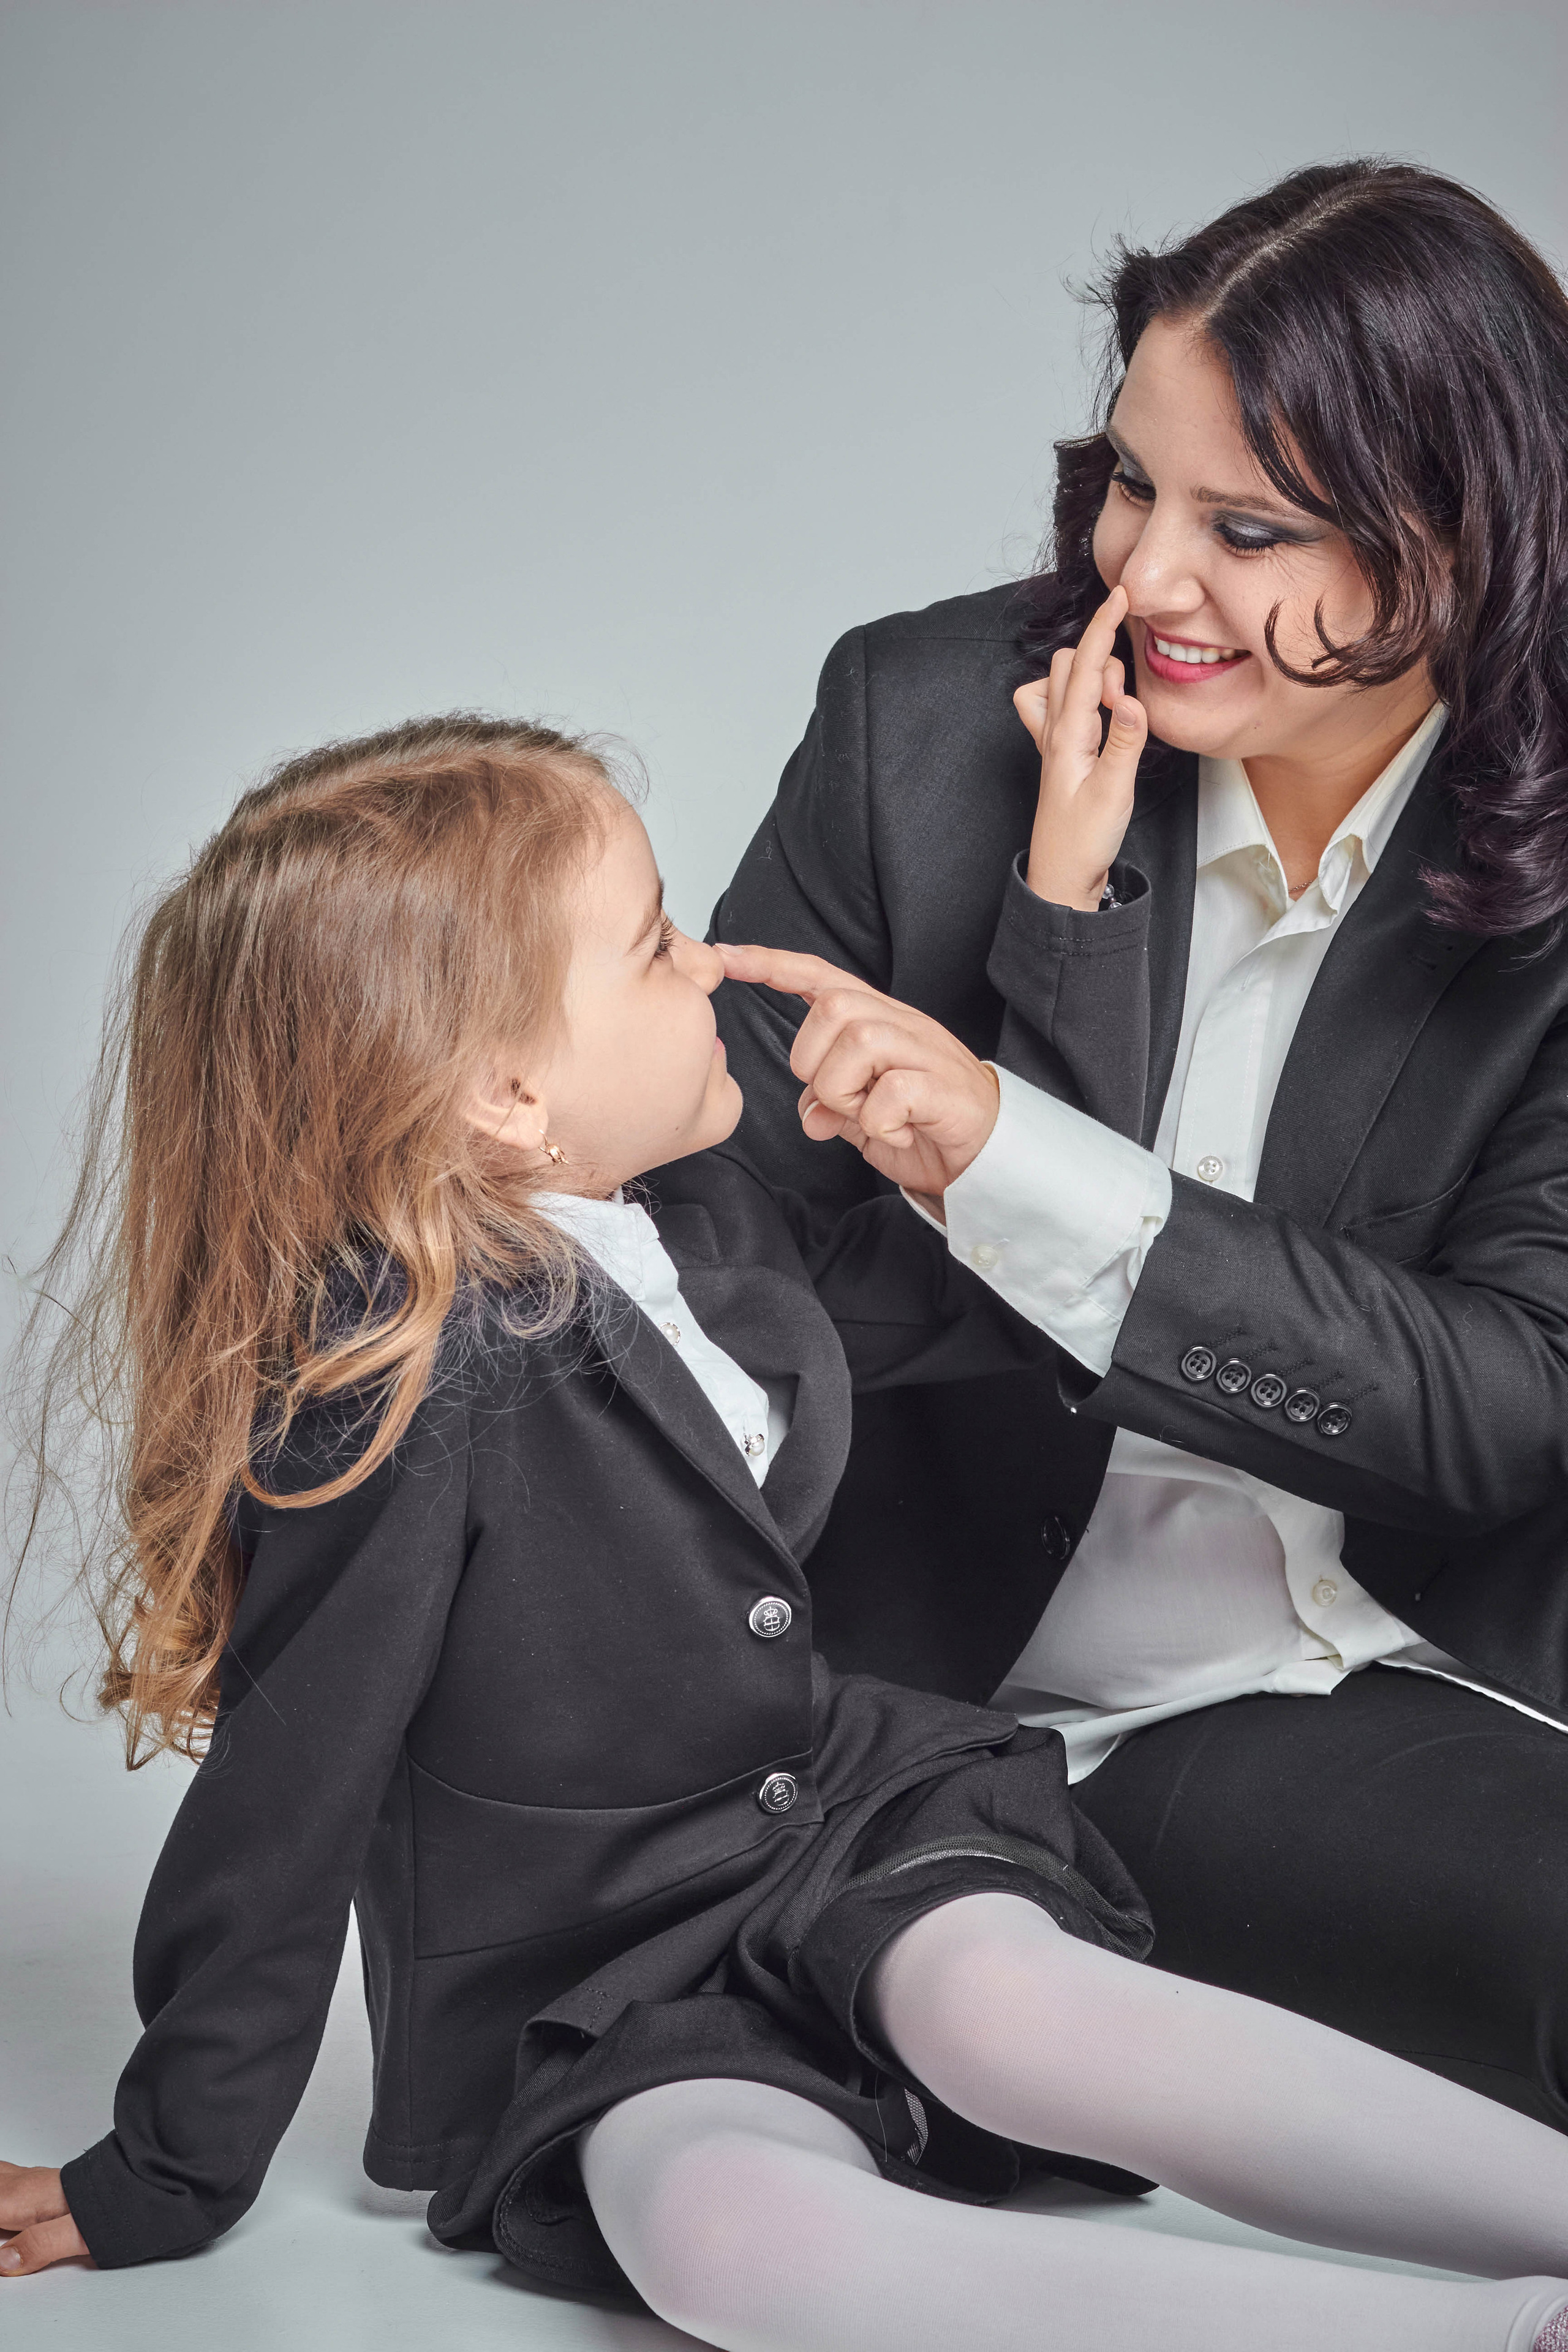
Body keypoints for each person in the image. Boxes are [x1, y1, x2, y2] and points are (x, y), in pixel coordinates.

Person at [4, 715, 1568, 2351]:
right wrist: (172, 2164)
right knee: (736, 2248)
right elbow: (288, 1785)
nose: (717, 968)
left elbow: (1016, 1289)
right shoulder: (396, 1388)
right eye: (655, 947)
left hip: (846, 1834)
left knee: (1015, 2015)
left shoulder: (701, 1222)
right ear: (507, 1093)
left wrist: (1058, 916)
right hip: (606, 1981)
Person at [696, 157, 1568, 2137]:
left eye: (1246, 529)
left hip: (1357, 1674)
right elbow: (721, 1285)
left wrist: (1014, 1151)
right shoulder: (922, 734)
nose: (1146, 582)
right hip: (948, 1709)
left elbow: (1509, 1407)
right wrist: (1049, 962)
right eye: (1131, 486)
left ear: (1471, 543)